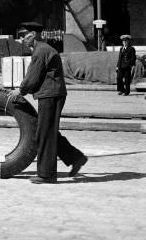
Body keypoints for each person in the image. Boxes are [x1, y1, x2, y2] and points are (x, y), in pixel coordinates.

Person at [8, 22, 87, 184]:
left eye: (24, 35)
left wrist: (20, 91)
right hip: (50, 94)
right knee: (48, 130)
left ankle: (47, 174)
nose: (22, 39)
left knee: (44, 133)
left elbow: (32, 77)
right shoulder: (43, 49)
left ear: (34, 35)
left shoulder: (41, 51)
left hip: (50, 95)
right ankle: (75, 157)